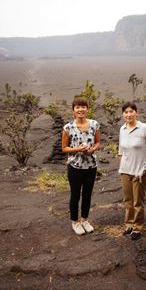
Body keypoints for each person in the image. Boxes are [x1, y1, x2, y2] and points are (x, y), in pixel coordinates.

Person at [62, 97, 101, 235]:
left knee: (87, 194)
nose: (81, 109)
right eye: (77, 107)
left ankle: (84, 219)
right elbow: (64, 148)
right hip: (75, 167)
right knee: (75, 195)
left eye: (83, 107)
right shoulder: (68, 128)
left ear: (87, 109)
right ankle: (75, 222)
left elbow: (98, 143)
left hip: (91, 166)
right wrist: (78, 149)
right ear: (73, 110)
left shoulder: (95, 124)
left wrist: (92, 149)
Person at [118, 101, 146, 240]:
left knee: (138, 201)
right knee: (128, 200)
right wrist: (121, 167)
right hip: (125, 170)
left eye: (131, 111)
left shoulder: (144, 128)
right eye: (126, 112)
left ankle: (138, 227)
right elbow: (121, 151)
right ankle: (129, 224)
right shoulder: (122, 129)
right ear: (123, 115)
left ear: (136, 112)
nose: (128, 114)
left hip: (140, 170)